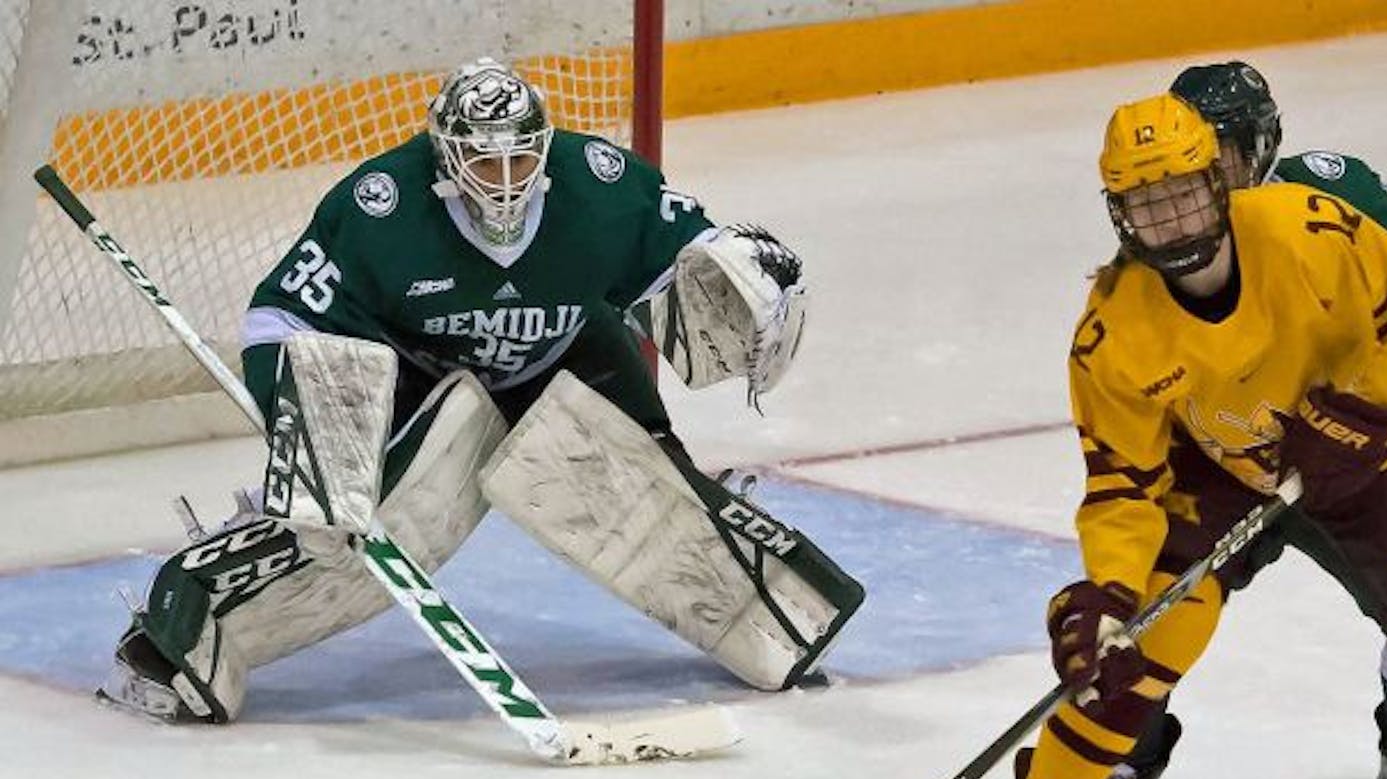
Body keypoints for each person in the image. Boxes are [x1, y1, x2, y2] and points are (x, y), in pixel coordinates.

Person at [96, 57, 864, 724]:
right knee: (350, 526)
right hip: (421, 384)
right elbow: (279, 315)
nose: (503, 181)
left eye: (520, 160)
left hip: (569, 358)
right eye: (481, 162)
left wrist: (742, 274)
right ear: (444, 155)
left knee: (656, 499)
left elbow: (689, 251)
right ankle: (186, 625)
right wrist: (306, 424)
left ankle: (765, 612)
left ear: (544, 150)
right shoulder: (381, 206)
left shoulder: (601, 188)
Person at [1011, 92, 1387, 779]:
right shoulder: (1112, 333)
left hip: (1360, 455)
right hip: (1215, 468)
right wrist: (1109, 593)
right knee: (1133, 652)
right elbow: (1122, 486)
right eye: (1147, 204)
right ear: (1118, 214)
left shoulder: (1308, 226)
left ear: (1216, 183)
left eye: (1182, 192)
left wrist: (1372, 404)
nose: (1171, 219)